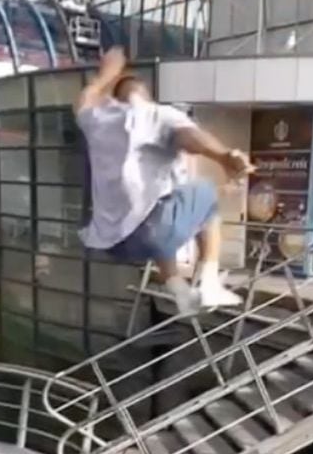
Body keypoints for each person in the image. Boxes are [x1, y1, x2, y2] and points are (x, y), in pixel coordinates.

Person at [75, 47, 254, 316]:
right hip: (151, 230)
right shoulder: (157, 113)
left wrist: (107, 73)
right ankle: (208, 281)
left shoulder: (97, 120)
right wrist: (224, 156)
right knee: (204, 193)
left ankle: (179, 290)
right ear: (144, 94)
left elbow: (85, 98)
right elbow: (189, 138)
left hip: (114, 244)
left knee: (160, 203)